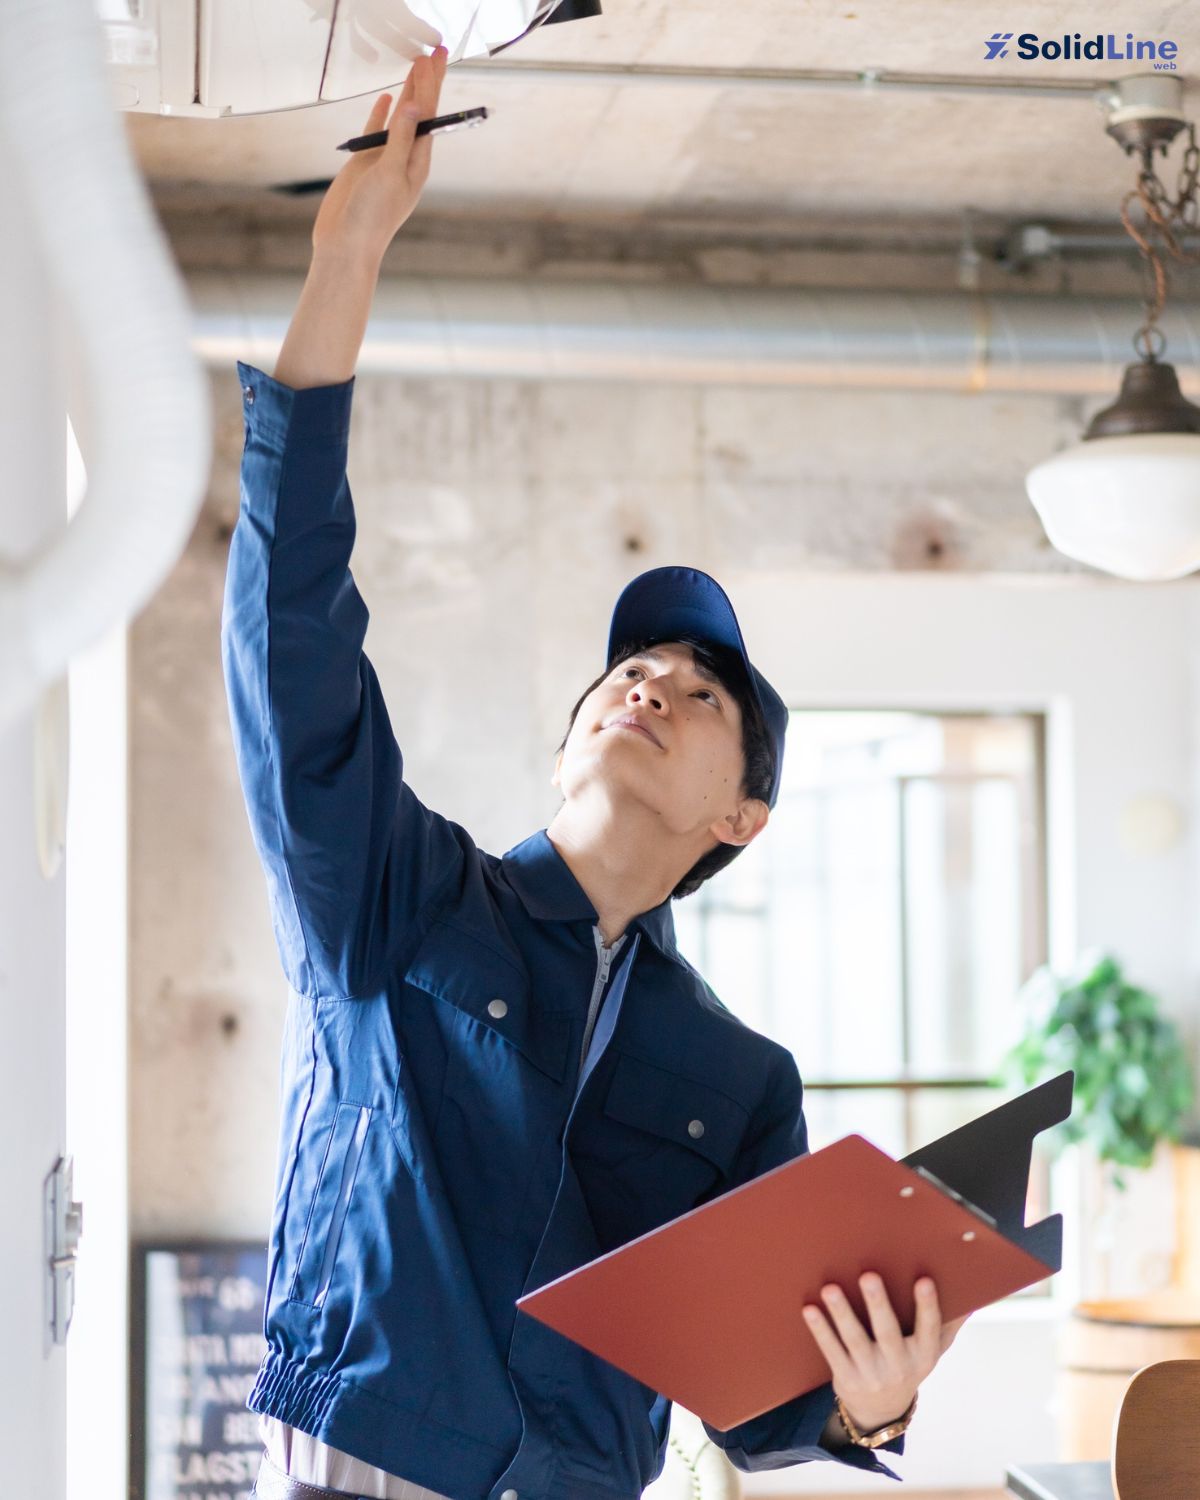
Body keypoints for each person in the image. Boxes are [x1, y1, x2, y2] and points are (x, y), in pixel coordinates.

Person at [221, 47, 967, 1500]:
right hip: (361, 1463)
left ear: (738, 816)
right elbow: (286, 636)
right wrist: (349, 259)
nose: (650, 686)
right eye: (629, 673)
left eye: (701, 696)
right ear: (572, 733)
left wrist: (866, 1413)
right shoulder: (403, 895)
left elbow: (758, 1401)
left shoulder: (740, 1082)